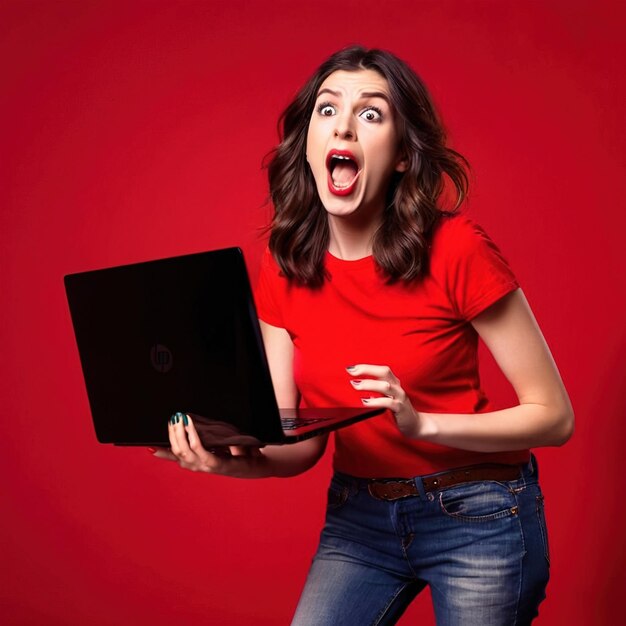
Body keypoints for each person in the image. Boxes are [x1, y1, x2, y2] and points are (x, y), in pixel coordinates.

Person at [154, 46, 574, 625]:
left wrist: (421, 422)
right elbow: (296, 440)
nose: (344, 125)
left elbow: (554, 417)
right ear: (308, 141)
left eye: (371, 113)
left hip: (479, 512)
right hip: (361, 517)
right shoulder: (285, 264)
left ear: (402, 155)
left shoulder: (457, 249)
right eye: (327, 110)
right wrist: (231, 457)